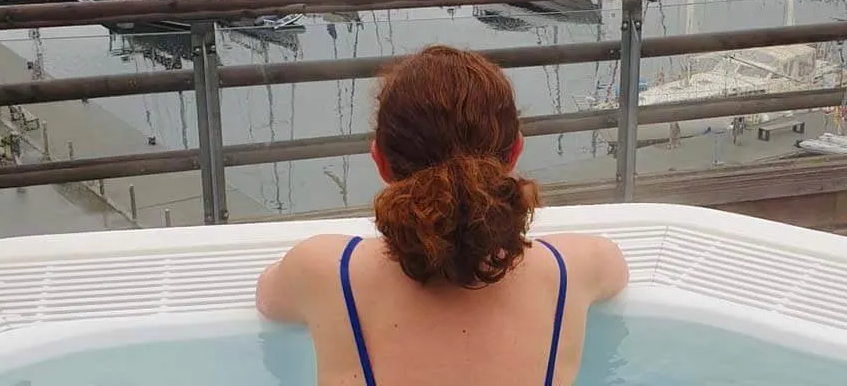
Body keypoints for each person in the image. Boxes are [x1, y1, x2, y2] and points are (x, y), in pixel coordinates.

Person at [255, 45, 629, 386]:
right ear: (514, 153)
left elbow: (268, 301)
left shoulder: (324, 271)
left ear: (380, 161)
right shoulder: (572, 270)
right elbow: (618, 273)